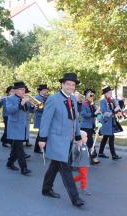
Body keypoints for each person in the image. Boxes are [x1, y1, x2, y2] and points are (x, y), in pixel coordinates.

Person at [38, 72, 85, 207]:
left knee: (54, 165)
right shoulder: (53, 99)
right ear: (62, 84)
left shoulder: (74, 99)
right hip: (56, 139)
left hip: (68, 139)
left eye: (73, 85)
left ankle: (46, 189)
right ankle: (75, 198)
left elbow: (75, 119)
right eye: (68, 84)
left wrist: (77, 136)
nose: (71, 87)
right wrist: (42, 138)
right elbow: (46, 120)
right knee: (65, 168)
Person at [5, 81, 32, 176]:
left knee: (16, 148)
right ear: (16, 90)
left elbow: (30, 110)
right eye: (21, 89)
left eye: (24, 90)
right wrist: (21, 104)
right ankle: (23, 168)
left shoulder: (24, 98)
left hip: (22, 126)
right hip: (14, 126)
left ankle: (9, 163)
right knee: (20, 148)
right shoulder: (10, 98)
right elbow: (9, 110)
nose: (23, 91)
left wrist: (30, 104)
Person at [98, 86, 122, 160]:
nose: (111, 94)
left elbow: (116, 109)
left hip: (111, 122)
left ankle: (100, 153)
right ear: (106, 93)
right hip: (106, 122)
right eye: (110, 92)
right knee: (111, 138)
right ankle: (114, 155)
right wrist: (114, 111)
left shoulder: (111, 101)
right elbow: (104, 113)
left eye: (111, 92)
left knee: (105, 137)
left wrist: (117, 106)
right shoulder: (103, 101)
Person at [80, 88, 100, 165]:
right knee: (89, 142)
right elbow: (84, 115)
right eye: (90, 94)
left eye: (92, 95)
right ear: (86, 95)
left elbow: (97, 114)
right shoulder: (83, 104)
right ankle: (93, 157)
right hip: (85, 126)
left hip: (91, 126)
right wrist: (94, 113)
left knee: (88, 142)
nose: (92, 96)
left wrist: (99, 117)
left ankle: (88, 157)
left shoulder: (92, 104)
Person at [73, 130, 91, 196]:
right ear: (81, 138)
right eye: (85, 137)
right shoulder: (78, 145)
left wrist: (90, 151)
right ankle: (83, 188)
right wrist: (78, 147)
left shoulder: (85, 145)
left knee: (82, 176)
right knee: (84, 176)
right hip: (81, 164)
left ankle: (71, 180)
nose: (87, 138)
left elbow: (86, 153)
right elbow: (75, 153)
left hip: (85, 163)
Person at [33, 84, 49, 153]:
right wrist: (45, 105)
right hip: (40, 117)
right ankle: (39, 148)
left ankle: (38, 148)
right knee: (41, 133)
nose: (46, 91)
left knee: (41, 133)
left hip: (45, 117)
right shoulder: (37, 98)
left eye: (46, 90)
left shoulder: (47, 97)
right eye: (44, 90)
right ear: (40, 91)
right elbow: (38, 108)